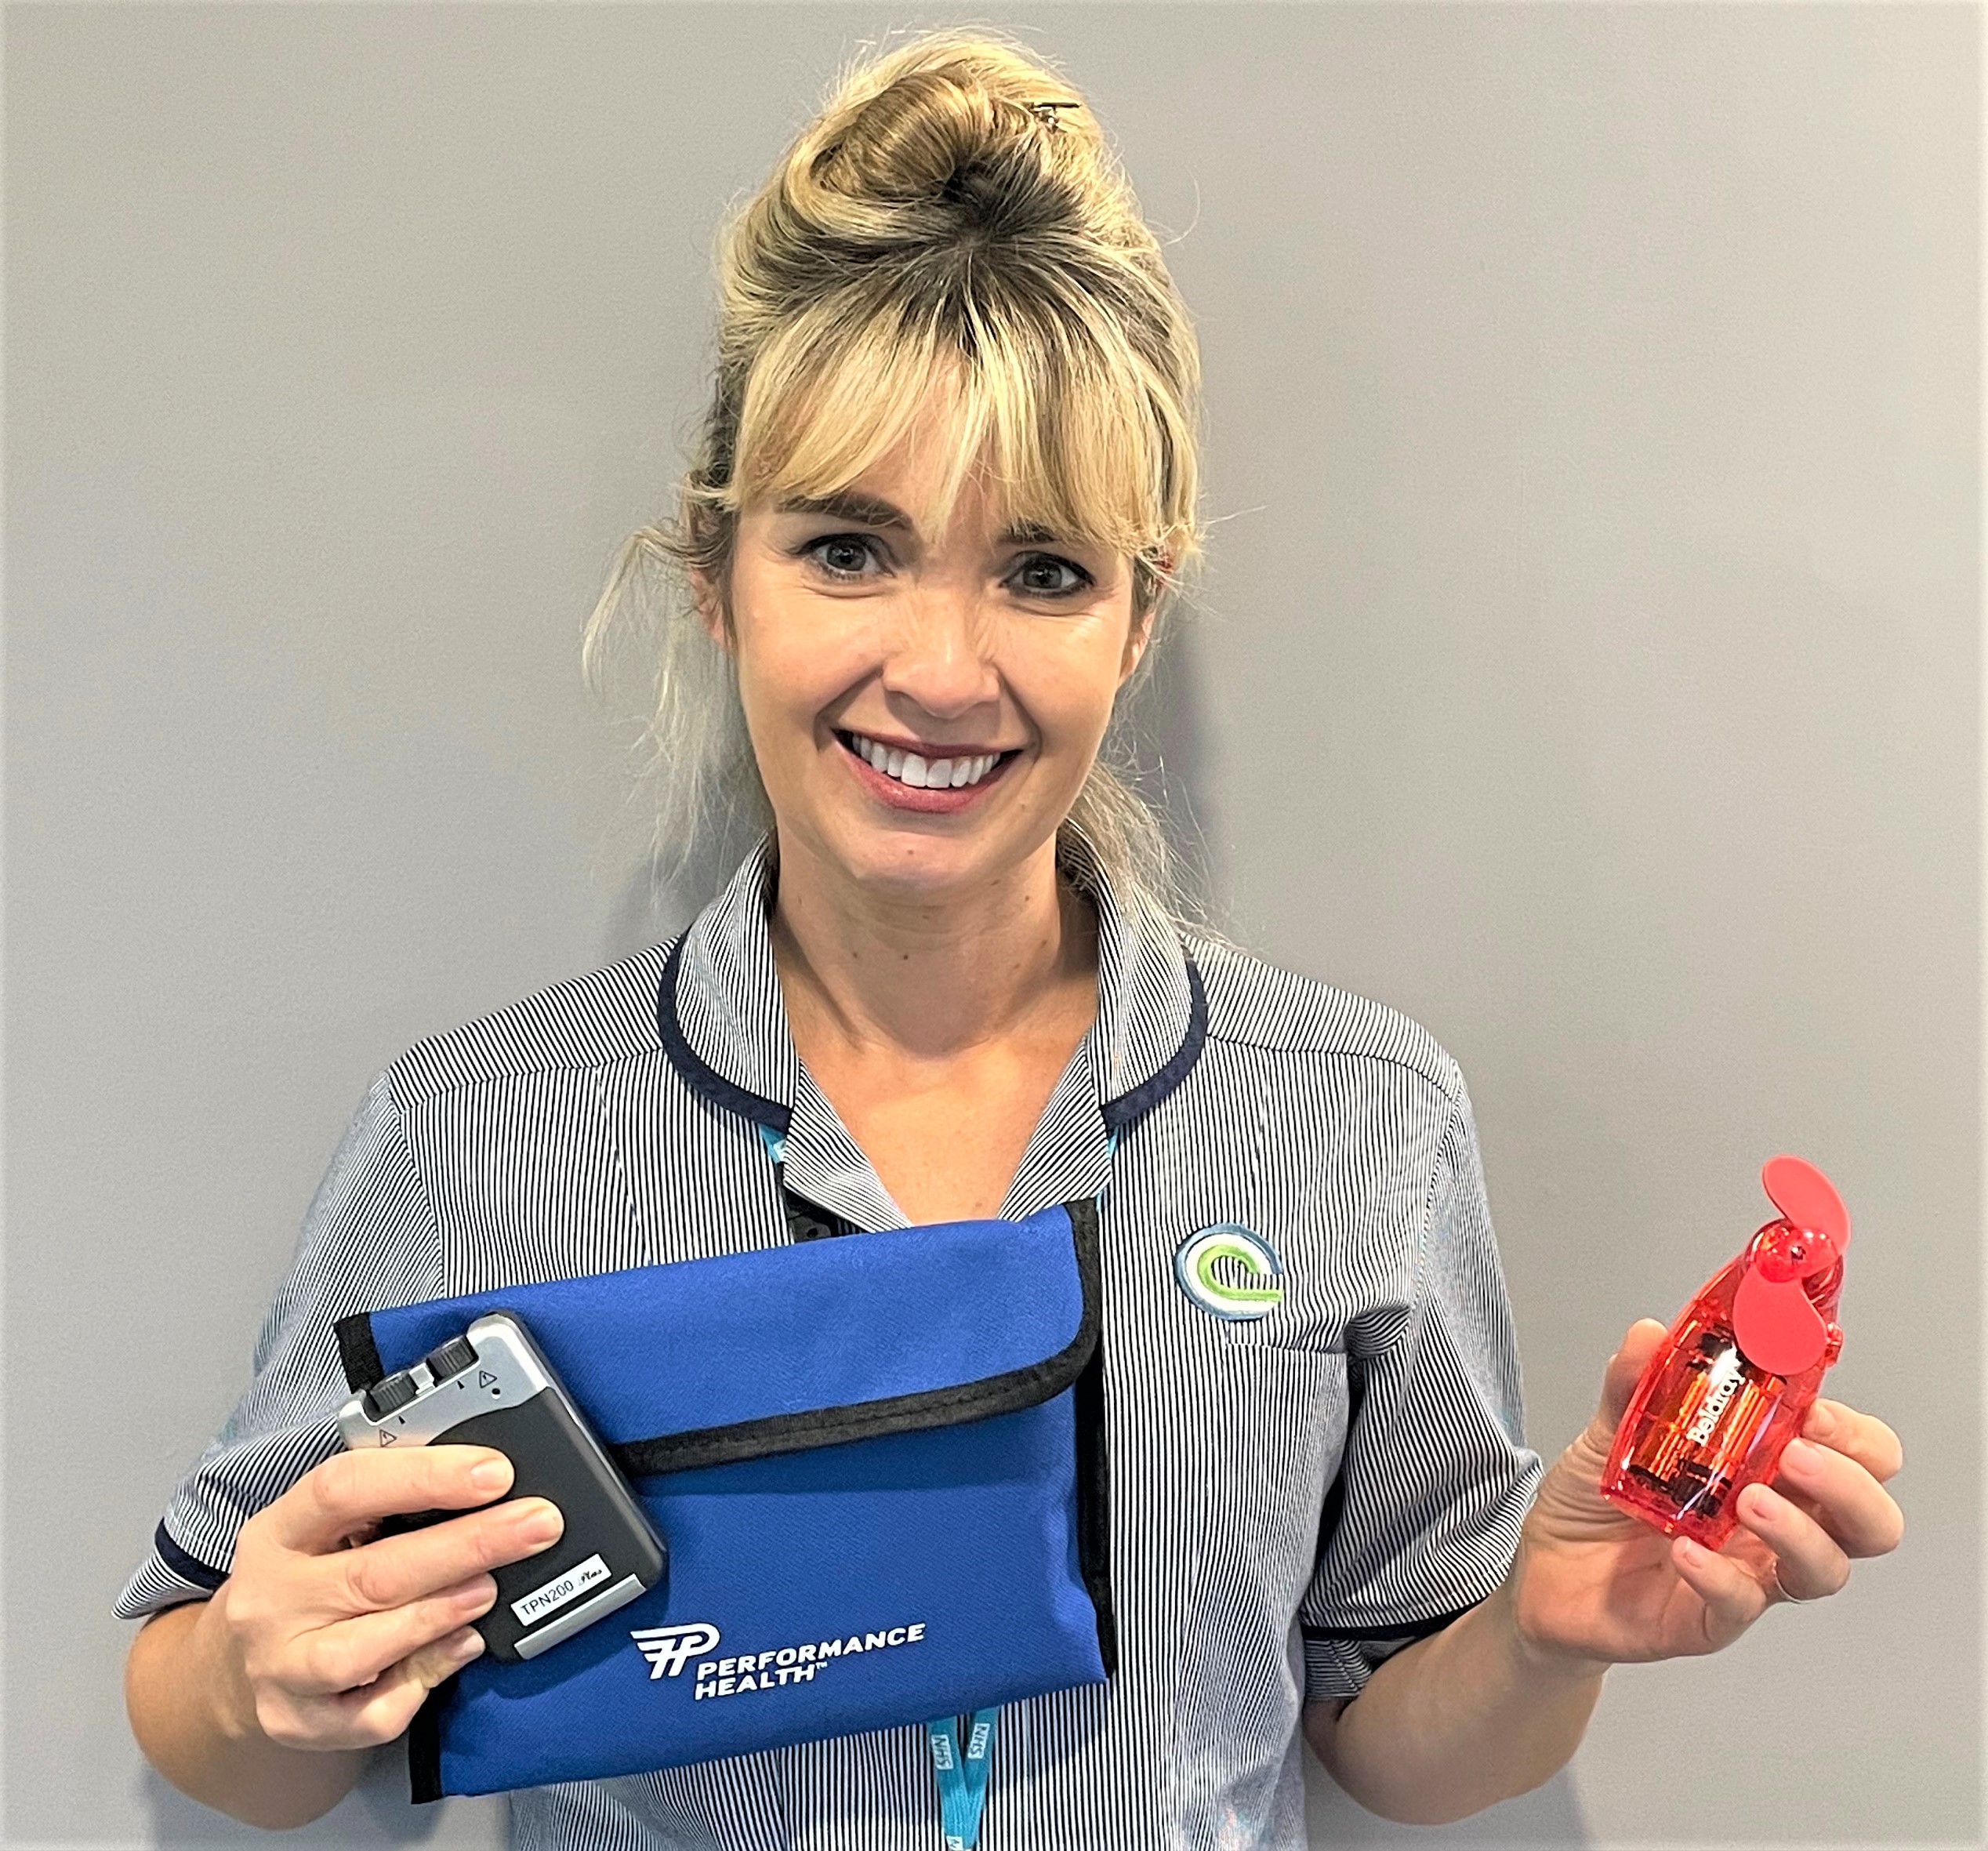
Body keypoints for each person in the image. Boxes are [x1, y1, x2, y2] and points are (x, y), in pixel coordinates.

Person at [118, 27, 1904, 1851]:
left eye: (1043, 569)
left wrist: (1536, 1630)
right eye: (846, 548)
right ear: (715, 581)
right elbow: (210, 1724)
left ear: (1135, 620)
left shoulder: (1357, 1118)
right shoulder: (475, 1133)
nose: (942, 668)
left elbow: (1388, 1743)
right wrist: (260, 1681)